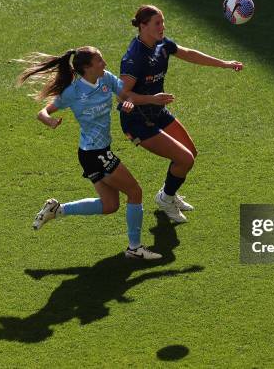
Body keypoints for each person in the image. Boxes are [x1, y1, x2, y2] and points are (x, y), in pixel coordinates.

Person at [17, 46, 174, 260]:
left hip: (94, 153)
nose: (105, 64)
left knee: (110, 205)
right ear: (86, 67)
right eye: (100, 61)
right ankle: (134, 248)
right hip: (94, 154)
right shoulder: (73, 92)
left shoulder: (106, 79)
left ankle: (58, 210)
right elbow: (43, 111)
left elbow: (125, 96)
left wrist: (146, 100)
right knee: (135, 192)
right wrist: (49, 120)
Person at [120, 5, 243, 223]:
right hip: (137, 121)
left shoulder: (162, 45)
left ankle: (168, 193)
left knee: (190, 153)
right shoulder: (134, 57)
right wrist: (152, 98)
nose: (162, 27)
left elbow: (190, 54)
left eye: (163, 22)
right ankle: (165, 199)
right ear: (143, 26)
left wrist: (224, 64)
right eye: (157, 23)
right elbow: (122, 96)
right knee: (183, 159)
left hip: (157, 111)